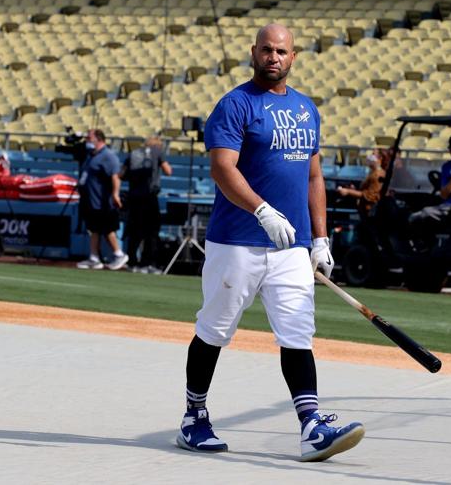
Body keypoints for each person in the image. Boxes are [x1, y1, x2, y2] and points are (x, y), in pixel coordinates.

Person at [176, 24, 364, 462]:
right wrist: (261, 209)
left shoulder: (305, 108)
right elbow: (223, 170)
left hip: (292, 247)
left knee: (298, 334)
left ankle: (312, 426)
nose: (273, 57)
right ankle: (194, 417)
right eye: (266, 49)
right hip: (237, 241)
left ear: (293, 57)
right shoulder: (235, 105)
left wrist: (319, 237)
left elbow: (314, 177)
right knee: (215, 330)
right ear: (253, 52)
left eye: (281, 51)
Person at [76, 129, 128, 270]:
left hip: (102, 201)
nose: (87, 141)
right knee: (94, 229)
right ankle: (94, 257)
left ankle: (119, 254)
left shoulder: (108, 156)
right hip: (92, 200)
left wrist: (115, 194)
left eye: (89, 138)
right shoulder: (92, 155)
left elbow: (115, 176)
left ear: (98, 139)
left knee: (107, 229)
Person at [121, 136, 172, 273]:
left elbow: (122, 174)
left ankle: (132, 262)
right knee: (151, 231)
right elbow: (168, 170)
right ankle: (147, 263)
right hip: (149, 197)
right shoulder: (157, 152)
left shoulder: (134, 153)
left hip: (133, 197)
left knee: (134, 231)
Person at [336, 149, 385, 219]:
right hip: (364, 210)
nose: (370, 156)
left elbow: (370, 196)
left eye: (373, 154)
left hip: (370, 212)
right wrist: (354, 190)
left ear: (380, 158)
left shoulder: (378, 175)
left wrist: (348, 192)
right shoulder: (372, 172)